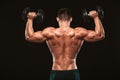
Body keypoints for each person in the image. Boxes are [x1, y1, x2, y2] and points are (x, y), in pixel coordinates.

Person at [25, 8, 105, 80]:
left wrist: (30, 19)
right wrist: (96, 17)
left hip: (56, 72)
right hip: (72, 72)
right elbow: (100, 35)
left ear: (57, 19)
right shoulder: (78, 33)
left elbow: (29, 37)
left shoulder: (50, 32)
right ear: (71, 19)